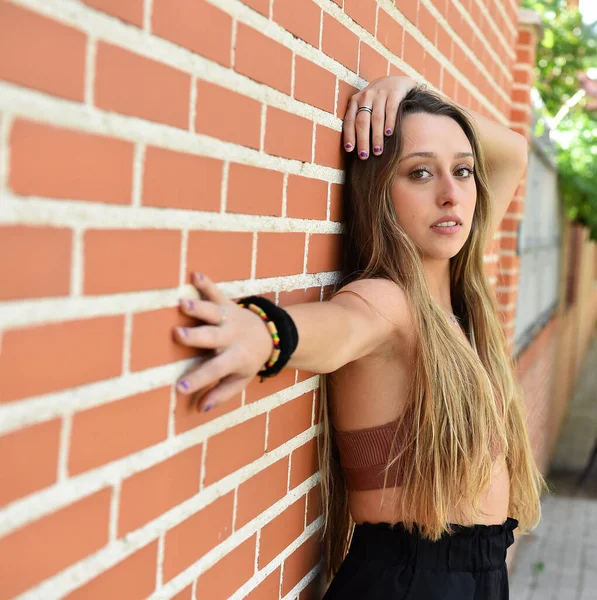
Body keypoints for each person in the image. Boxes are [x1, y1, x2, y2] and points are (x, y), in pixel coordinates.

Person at [172, 76, 544, 599]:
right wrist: (265, 334)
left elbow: (514, 152)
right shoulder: (389, 301)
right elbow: (338, 328)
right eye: (419, 172)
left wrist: (415, 92)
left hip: (474, 579)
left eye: (462, 171)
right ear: (380, 195)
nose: (450, 193)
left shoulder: (456, 292)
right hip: (412, 585)